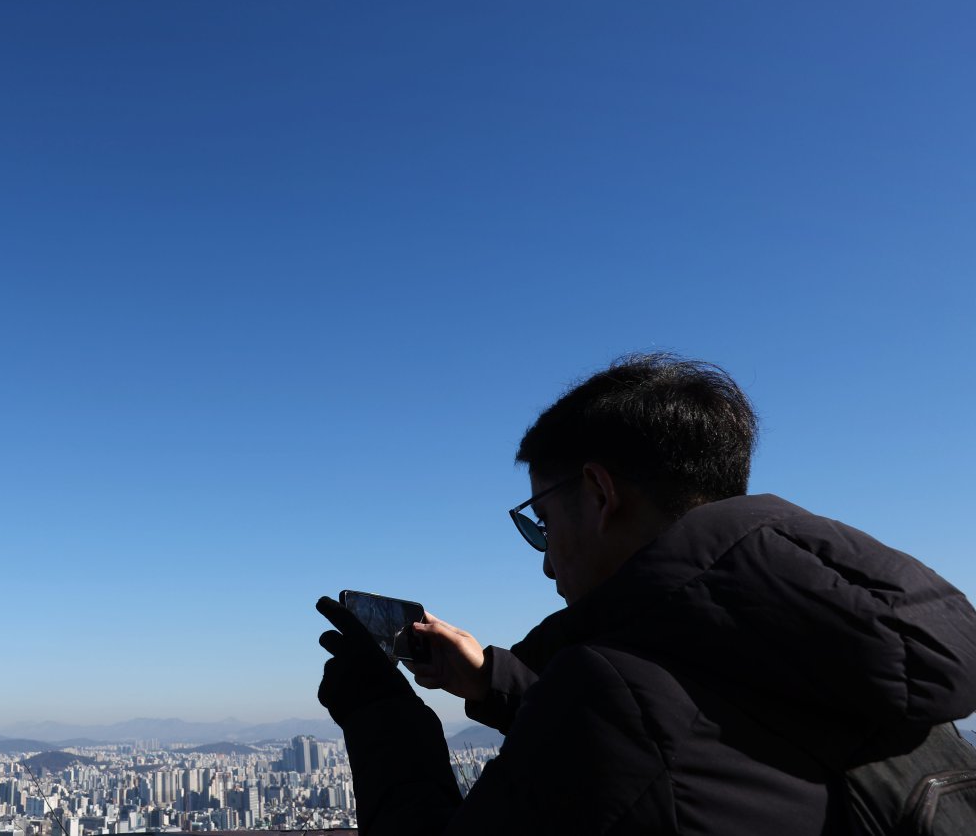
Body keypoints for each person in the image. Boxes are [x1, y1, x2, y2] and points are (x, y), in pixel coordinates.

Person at [316, 353, 976, 835]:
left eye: (542, 523)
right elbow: (697, 718)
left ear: (601, 494)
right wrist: (492, 680)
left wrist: (382, 716)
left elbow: (645, 732)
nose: (546, 563)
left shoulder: (605, 696)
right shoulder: (859, 651)